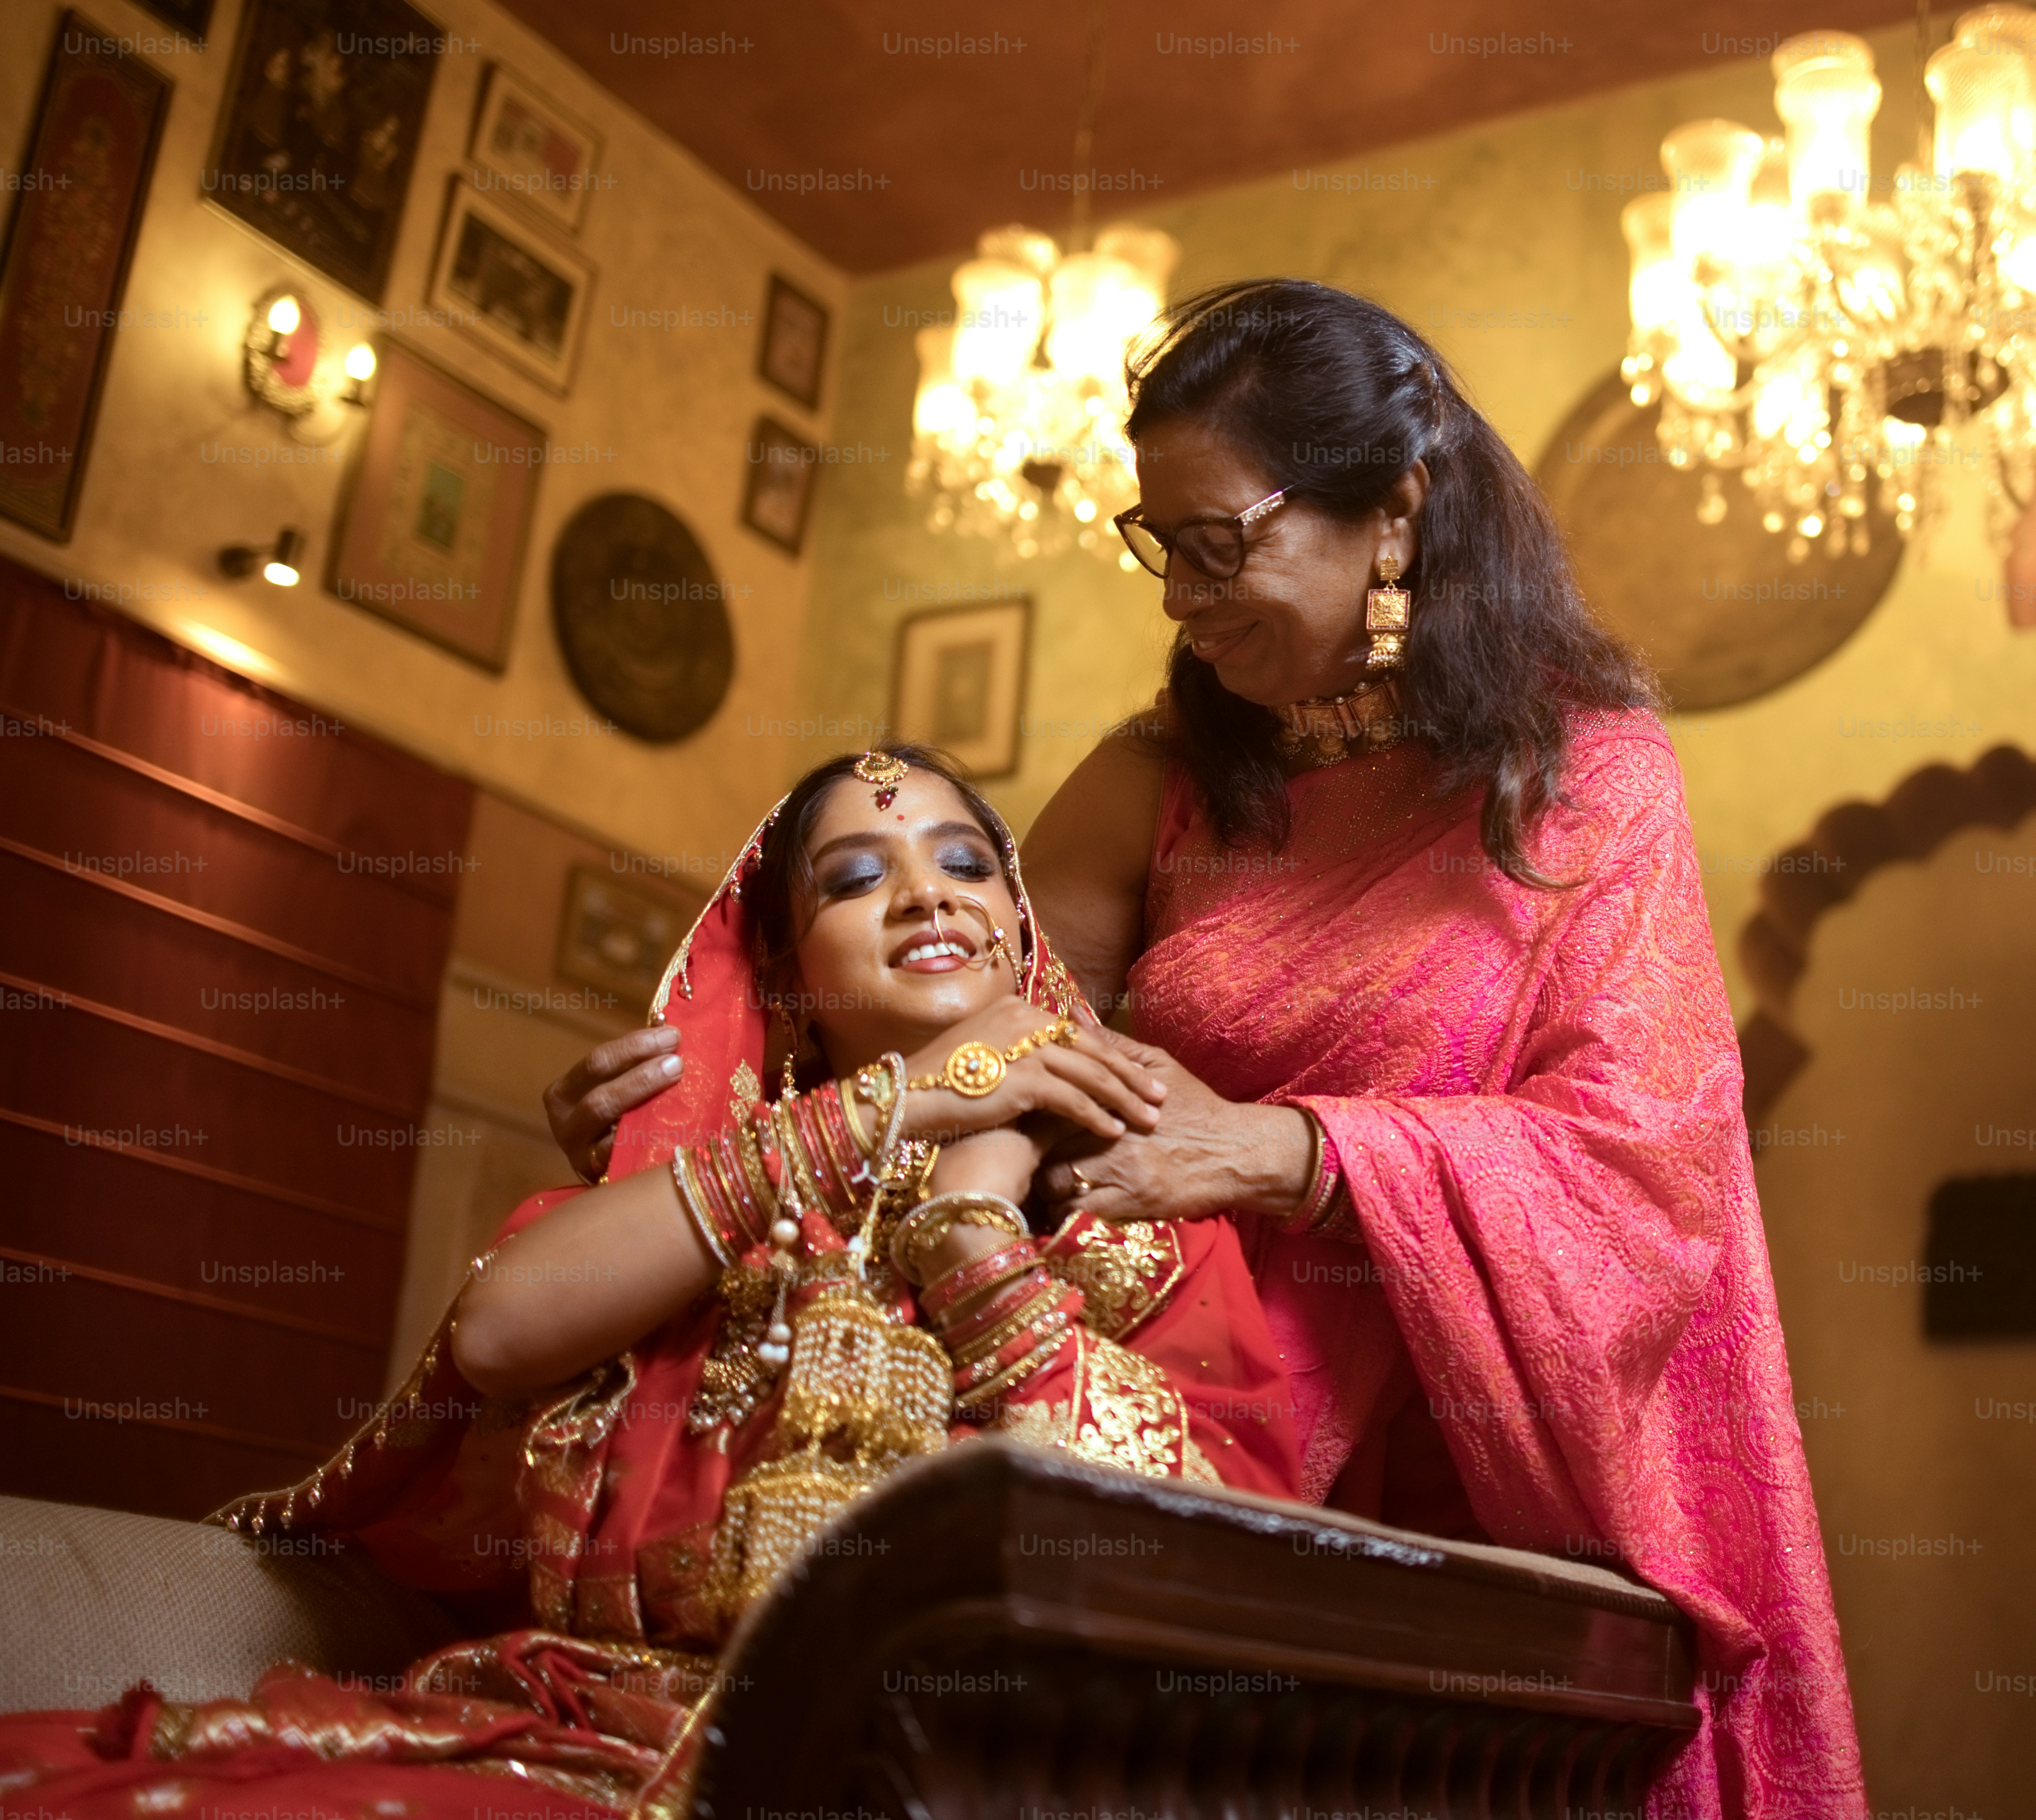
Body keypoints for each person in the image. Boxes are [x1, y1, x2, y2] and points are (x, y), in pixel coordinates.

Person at [548, 280, 1869, 1819]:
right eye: (1158, 546)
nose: (1180, 599)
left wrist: (1300, 1149)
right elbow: (961, 1049)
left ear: (1396, 512)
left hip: (1468, 1488)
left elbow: (1645, 1167)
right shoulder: (1156, 781)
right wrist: (676, 1128)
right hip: (1134, 1401)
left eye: (1220, 543)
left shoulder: (1587, 784)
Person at [0, 745, 1298, 1816]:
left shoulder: (1142, 1215)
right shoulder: (723, 1196)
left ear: (1023, 930)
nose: (927, 895)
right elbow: (502, 1335)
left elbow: (1177, 1562)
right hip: (581, 1736)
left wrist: (973, 1215)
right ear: (787, 974)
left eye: (967, 865)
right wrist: (902, 1105)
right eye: (859, 878)